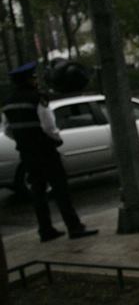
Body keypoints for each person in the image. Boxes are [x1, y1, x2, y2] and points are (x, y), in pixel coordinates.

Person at [1, 62, 98, 242]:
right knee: (61, 190)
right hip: (45, 151)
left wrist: (23, 141)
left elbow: (7, 129)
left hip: (27, 153)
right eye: (33, 78)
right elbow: (48, 126)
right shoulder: (38, 98)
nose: (36, 80)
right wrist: (56, 139)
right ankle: (74, 227)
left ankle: (45, 230)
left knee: (38, 192)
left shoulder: (7, 103)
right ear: (28, 80)